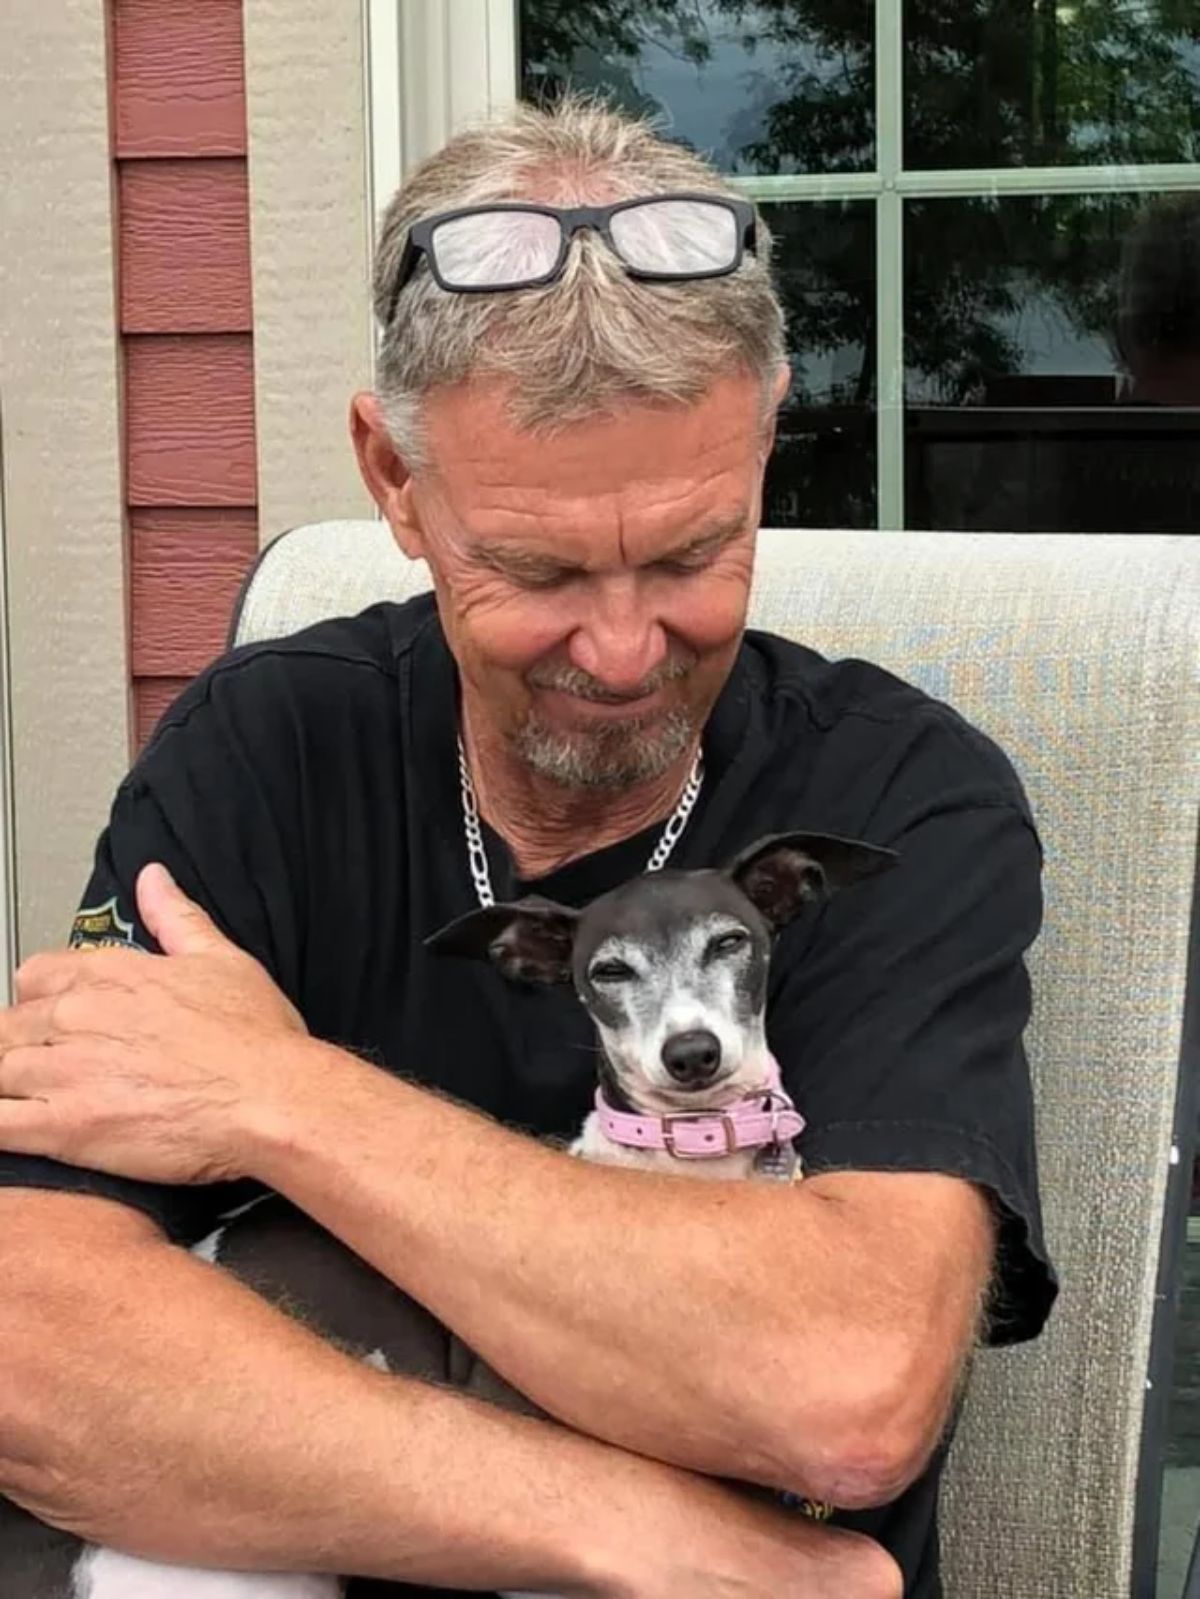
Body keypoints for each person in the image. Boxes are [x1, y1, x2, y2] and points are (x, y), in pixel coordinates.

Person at [0, 96, 1055, 1598]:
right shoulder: (267, 747)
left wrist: (272, 1095)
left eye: (691, 554)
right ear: (394, 483)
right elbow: (33, 1327)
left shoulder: (902, 797)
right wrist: (647, 1530)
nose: (625, 652)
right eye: (540, 567)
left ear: (763, 442)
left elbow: (842, 1389)